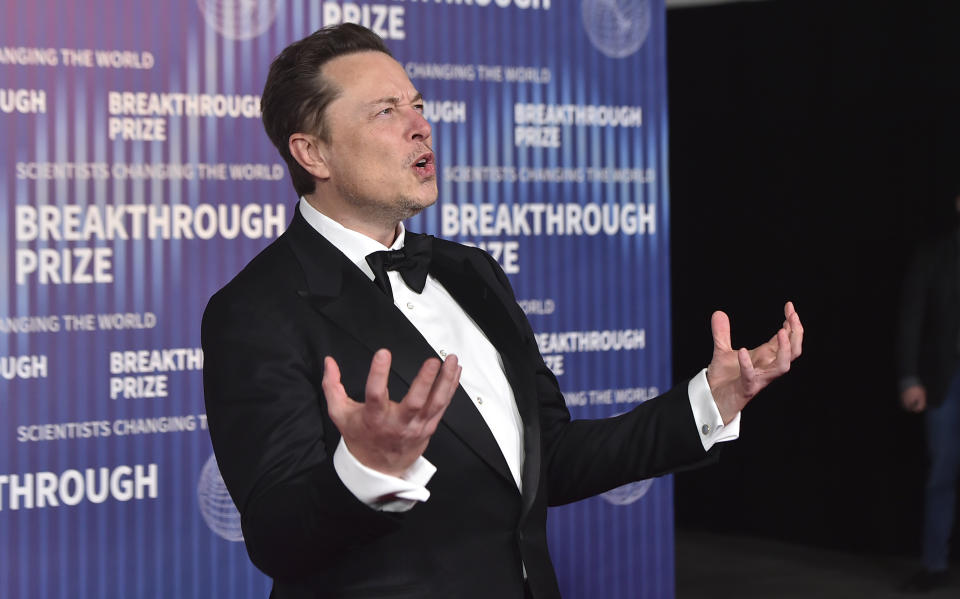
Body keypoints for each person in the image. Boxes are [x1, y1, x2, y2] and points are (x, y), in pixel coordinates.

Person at [201, 23, 804, 599]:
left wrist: (709, 403)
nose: (420, 126)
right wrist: (365, 470)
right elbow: (278, 539)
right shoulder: (255, 310)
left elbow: (551, 460)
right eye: (386, 111)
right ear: (313, 153)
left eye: (417, 104)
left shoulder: (472, 271)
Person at [897, 192, 960, 593]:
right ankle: (935, 564)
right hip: (944, 380)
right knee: (942, 473)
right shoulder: (934, 256)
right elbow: (910, 318)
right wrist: (908, 377)